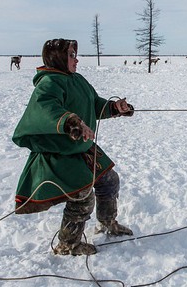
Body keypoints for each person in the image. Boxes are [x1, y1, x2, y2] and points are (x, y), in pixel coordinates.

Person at [12, 38, 134, 256]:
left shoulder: (76, 79)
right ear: (57, 57)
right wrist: (71, 122)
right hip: (61, 153)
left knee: (109, 180)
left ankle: (107, 223)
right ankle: (68, 244)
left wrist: (115, 107)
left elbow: (94, 104)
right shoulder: (49, 82)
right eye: (71, 55)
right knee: (82, 198)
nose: (76, 59)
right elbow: (46, 109)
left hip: (82, 149)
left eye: (75, 54)